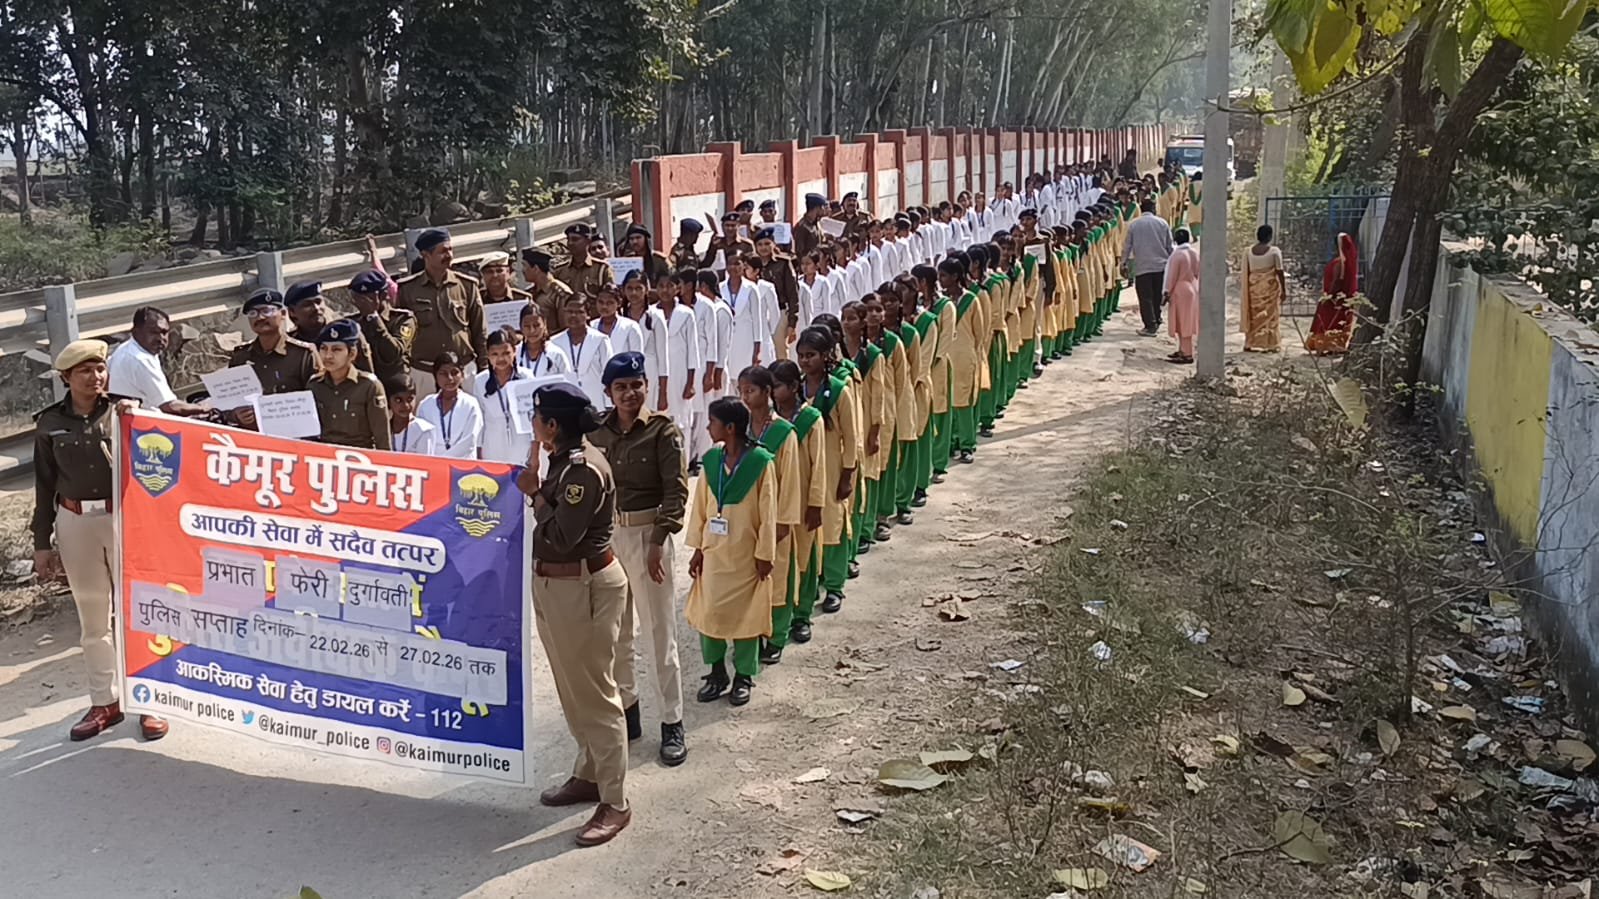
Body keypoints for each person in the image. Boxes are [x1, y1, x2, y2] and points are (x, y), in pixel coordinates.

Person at [32, 339, 168, 741]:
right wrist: (42, 543)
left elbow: (160, 458)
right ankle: (104, 702)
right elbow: (44, 484)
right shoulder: (50, 422)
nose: (95, 377)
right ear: (66, 378)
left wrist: (140, 419)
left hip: (124, 518)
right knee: (93, 619)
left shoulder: (126, 411)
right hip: (75, 520)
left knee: (137, 612)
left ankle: (149, 699)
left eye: (100, 369)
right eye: (85, 371)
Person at [521, 382, 632, 847]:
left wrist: (534, 494)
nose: (532, 423)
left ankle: (616, 800)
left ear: (552, 425)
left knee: (595, 693)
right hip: (557, 585)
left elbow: (564, 536)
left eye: (537, 417)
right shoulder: (563, 460)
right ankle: (589, 773)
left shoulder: (582, 470)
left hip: (583, 585)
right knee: (572, 689)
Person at [590, 352, 690, 767]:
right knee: (616, 635)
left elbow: (676, 491)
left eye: (636, 385)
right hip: (609, 537)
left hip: (649, 535)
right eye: (621, 387)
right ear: (608, 392)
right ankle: (628, 713)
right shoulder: (597, 431)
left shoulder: (662, 431)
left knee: (658, 634)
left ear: (646, 386)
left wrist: (657, 543)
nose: (630, 393)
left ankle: (672, 721)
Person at [685, 397, 778, 708]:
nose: (707, 427)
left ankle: (744, 676)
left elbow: (768, 512)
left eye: (712, 422)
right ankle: (716, 672)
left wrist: (765, 553)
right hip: (714, 552)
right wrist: (698, 548)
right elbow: (700, 507)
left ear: (729, 427)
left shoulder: (761, 462)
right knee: (710, 612)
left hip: (746, 554)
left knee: (746, 616)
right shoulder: (712, 460)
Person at [738, 366, 806, 666]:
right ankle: (751, 631)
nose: (745, 397)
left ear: (767, 392)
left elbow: (790, 480)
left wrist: (782, 522)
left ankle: (777, 636)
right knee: (748, 576)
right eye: (741, 391)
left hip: (774, 513)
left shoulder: (783, 432)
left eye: (751, 390)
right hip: (746, 516)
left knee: (777, 577)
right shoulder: (741, 427)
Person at [764, 359, 827, 655]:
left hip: (802, 502)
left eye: (777, 386)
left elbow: (818, 465)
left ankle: (802, 616)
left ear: (793, 387)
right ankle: (772, 621)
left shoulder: (811, 419)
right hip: (774, 502)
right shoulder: (767, 423)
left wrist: (816, 503)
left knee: (804, 556)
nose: (772, 392)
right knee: (779, 565)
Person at [797, 325, 859, 621]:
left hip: (832, 467)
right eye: (801, 355)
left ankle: (835, 585)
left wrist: (847, 474)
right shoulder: (794, 390)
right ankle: (812, 581)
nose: (805, 361)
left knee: (832, 523)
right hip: (802, 470)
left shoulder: (838, 391)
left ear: (825, 356)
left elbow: (851, 436)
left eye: (811, 355)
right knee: (807, 527)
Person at [397, 229, 487, 396]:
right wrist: (404, 371)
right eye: (443, 251)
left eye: (450, 250)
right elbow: (402, 336)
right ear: (426, 255)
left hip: (464, 371)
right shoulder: (407, 290)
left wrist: (484, 367)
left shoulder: (467, 286)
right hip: (424, 373)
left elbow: (479, 330)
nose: (449, 255)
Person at [227, 288, 318, 429]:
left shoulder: (303, 354)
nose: (260, 318)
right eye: (253, 313)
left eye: (267, 311)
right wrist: (236, 415)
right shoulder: (241, 357)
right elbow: (228, 402)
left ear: (283, 314)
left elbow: (321, 399)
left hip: (294, 434)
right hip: (254, 437)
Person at [106, 307, 211, 417]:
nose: (161, 338)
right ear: (136, 332)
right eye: (153, 332)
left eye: (164, 332)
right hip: (144, 422)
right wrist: (203, 408)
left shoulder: (125, 349)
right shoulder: (141, 359)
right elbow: (170, 407)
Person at [310, 319, 391, 449]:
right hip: (324, 456)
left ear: (352, 354)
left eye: (336, 349)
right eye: (324, 348)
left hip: (358, 456)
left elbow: (382, 438)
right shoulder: (315, 385)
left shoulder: (369, 387)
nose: (328, 356)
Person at [476, 329, 536, 464]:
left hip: (522, 446)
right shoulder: (480, 381)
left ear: (514, 351)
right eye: (495, 354)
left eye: (506, 353)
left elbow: (533, 418)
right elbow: (480, 421)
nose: (501, 359)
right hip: (492, 447)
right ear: (488, 355)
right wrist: (478, 451)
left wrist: (535, 453)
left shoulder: (526, 377)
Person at [346, 269, 417, 384]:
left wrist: (374, 318)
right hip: (365, 385)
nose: (362, 303)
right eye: (359, 299)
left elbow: (392, 353)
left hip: (396, 384)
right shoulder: (353, 323)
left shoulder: (402, 319)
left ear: (383, 295)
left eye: (367, 298)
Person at [656, 270, 701, 438]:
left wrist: (690, 383)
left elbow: (692, 350)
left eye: (670, 286)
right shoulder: (651, 313)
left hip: (680, 372)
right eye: (661, 286)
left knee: (682, 419)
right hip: (657, 374)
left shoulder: (686, 313)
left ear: (677, 288)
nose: (665, 290)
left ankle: (684, 452)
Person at [618, 271, 672, 411]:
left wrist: (663, 392)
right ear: (623, 290)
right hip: (623, 376)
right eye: (630, 288)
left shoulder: (655, 317)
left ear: (646, 289)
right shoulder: (619, 316)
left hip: (649, 375)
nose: (634, 293)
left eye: (638, 288)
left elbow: (663, 357)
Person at [417, 352, 484, 459]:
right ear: (435, 376)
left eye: (454, 372)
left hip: (463, 463)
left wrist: (444, 462)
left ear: (462, 375)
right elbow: (422, 440)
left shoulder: (471, 404)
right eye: (443, 373)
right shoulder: (425, 405)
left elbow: (470, 441)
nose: (449, 378)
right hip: (433, 463)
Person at [551, 294, 614, 407]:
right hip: (566, 405)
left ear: (588, 315)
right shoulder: (554, 342)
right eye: (569, 311)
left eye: (579, 312)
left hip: (597, 404)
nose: (573, 315)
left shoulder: (600, 340)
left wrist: (609, 405)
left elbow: (609, 374)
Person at [1123, 199, 1174, 337]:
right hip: (1160, 266)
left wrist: (1123, 263)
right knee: (1157, 295)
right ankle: (1156, 319)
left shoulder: (1134, 225)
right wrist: (1172, 263)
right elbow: (1169, 245)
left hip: (1142, 266)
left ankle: (1150, 325)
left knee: (1145, 297)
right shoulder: (1162, 223)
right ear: (1153, 209)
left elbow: (1127, 246)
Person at [1307, 232, 1359, 355]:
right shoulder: (1347, 264)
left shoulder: (1339, 263)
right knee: (1337, 322)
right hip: (1340, 299)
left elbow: (1336, 281)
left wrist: (1329, 295)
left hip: (1333, 298)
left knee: (1328, 321)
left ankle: (1324, 345)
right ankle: (1334, 345)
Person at [1241, 225, 1286, 352]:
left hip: (1253, 288)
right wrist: (1284, 290)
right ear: (1270, 236)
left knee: (1254, 315)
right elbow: (1280, 271)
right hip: (1269, 287)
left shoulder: (1248, 252)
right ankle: (1270, 344)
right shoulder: (1274, 251)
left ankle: (1250, 342)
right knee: (1270, 315)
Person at [1162, 229, 1201, 365]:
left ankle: (1187, 353)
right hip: (1192, 287)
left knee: (1182, 322)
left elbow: (1171, 276)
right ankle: (1182, 349)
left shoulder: (1177, 255)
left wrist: (1166, 292)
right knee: (1187, 320)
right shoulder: (1194, 253)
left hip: (1179, 289)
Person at [554, 223, 616, 300]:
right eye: (568, 239)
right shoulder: (560, 270)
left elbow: (611, 297)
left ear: (588, 241)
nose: (570, 243)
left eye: (575, 239)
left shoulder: (602, 269)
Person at [517, 302, 573, 376]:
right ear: (520, 327)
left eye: (536, 325)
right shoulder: (515, 354)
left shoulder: (556, 354)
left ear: (544, 324)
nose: (532, 330)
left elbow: (568, 381)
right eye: (527, 326)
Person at [385, 374, 437, 455]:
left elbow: (425, 461)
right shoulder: (383, 429)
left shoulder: (423, 430)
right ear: (388, 401)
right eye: (398, 400)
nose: (405, 405)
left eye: (410, 399)